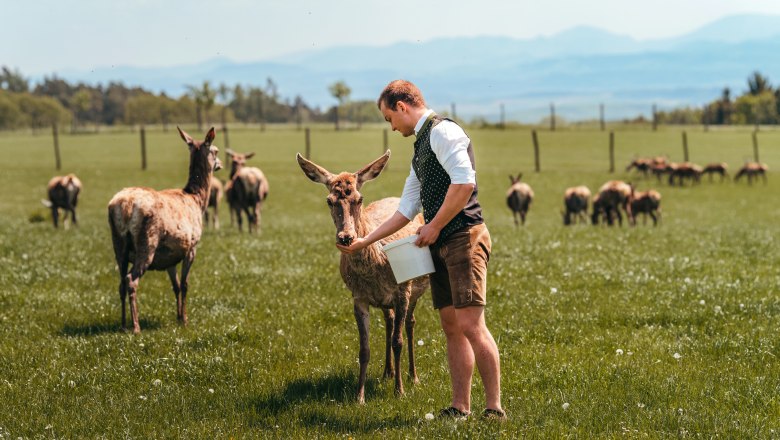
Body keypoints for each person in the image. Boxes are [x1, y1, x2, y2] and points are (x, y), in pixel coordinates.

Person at [336, 79, 505, 420]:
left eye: (389, 118)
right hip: (440, 243)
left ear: (402, 106)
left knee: (471, 324)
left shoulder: (443, 133)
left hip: (464, 238)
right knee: (451, 325)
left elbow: (465, 182)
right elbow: (406, 209)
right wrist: (364, 243)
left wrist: (435, 225)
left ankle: (494, 409)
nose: (391, 126)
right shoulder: (420, 148)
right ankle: (461, 407)